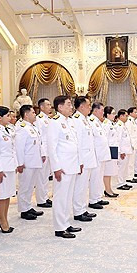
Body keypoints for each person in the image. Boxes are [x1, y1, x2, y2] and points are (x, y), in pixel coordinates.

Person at [47, 95, 81, 238]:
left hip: (72, 165)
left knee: (68, 196)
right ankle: (60, 227)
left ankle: (66, 222)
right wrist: (56, 168)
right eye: (68, 104)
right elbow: (52, 147)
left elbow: (74, 145)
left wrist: (79, 164)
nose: (71, 107)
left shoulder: (69, 122)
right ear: (60, 107)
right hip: (63, 167)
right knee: (61, 197)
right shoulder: (54, 123)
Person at [15, 105, 45, 220]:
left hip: (34, 161)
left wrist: (42, 155)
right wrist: (20, 163)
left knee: (30, 186)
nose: (35, 114)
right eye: (33, 112)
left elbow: (38, 143)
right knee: (24, 186)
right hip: (26, 163)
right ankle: (23, 210)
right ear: (26, 115)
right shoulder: (22, 128)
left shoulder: (32, 127)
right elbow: (19, 147)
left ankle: (28, 206)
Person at [72, 96, 98, 222]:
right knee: (80, 186)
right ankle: (78, 211)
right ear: (81, 106)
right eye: (88, 105)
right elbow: (78, 142)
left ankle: (82, 208)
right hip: (83, 159)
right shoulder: (77, 120)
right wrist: (80, 161)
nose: (90, 108)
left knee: (84, 186)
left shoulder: (84, 119)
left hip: (88, 157)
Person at [88, 102, 111, 209]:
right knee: (95, 177)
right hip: (96, 154)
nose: (103, 112)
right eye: (101, 110)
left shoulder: (97, 121)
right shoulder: (91, 121)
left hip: (101, 154)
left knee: (99, 177)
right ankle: (93, 200)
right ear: (96, 111)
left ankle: (98, 197)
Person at [34, 98, 53, 208]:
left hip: (49, 149)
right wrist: (42, 152)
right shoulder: (39, 119)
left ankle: (45, 196)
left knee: (46, 176)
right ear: (41, 107)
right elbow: (39, 137)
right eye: (48, 105)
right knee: (41, 176)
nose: (50, 106)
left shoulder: (48, 119)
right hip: (44, 150)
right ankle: (41, 200)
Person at [102, 106, 119, 197]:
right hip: (109, 149)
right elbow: (105, 139)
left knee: (111, 171)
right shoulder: (106, 124)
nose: (114, 115)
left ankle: (110, 189)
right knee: (107, 171)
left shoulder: (111, 124)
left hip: (114, 148)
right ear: (107, 114)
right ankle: (107, 190)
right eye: (112, 113)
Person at [116, 109, 133, 191]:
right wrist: (121, 151)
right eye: (126, 116)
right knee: (121, 167)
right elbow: (118, 140)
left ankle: (123, 181)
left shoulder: (123, 125)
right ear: (121, 116)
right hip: (123, 151)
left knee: (125, 167)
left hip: (127, 150)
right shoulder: (118, 126)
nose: (127, 117)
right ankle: (120, 183)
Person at [126, 107, 137, 183]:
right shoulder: (129, 121)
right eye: (134, 112)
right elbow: (129, 134)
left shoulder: (133, 121)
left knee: (132, 161)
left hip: (134, 144)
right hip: (131, 144)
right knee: (130, 162)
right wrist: (130, 144)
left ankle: (131, 176)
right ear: (130, 113)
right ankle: (128, 177)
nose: (136, 113)